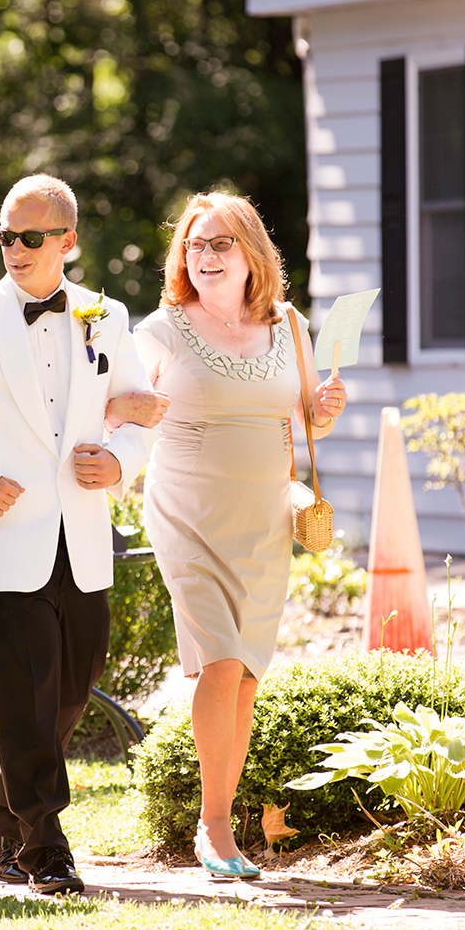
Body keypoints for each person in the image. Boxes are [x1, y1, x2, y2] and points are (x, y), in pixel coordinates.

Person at [0, 174, 158, 895]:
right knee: (26, 693)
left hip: (84, 532)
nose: (14, 248)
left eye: (30, 237)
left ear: (67, 242)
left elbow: (136, 415)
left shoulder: (106, 315)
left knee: (72, 686)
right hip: (3, 534)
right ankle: (46, 845)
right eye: (5, 235)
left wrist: (121, 461)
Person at [120, 191, 347, 878]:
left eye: (220, 243)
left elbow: (307, 419)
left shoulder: (292, 326)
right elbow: (121, 409)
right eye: (194, 244)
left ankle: (221, 814)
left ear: (252, 253)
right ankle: (213, 829)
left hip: (264, 518)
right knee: (218, 662)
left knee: (245, 675)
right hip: (186, 511)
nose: (205, 256)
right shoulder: (159, 330)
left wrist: (326, 407)